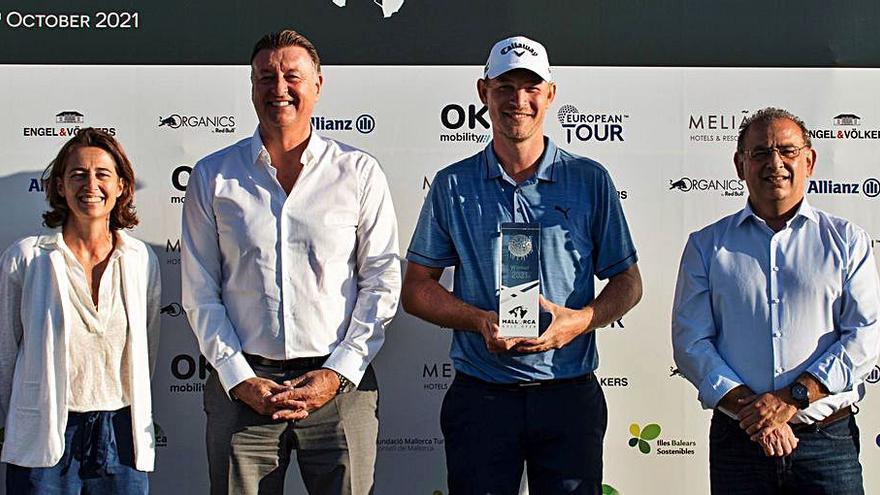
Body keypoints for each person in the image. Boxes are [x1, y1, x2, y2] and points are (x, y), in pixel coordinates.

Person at [401, 35, 642, 494]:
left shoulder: (589, 180)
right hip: (482, 396)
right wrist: (478, 320)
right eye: (505, 86)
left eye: (531, 87)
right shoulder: (453, 184)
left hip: (568, 393)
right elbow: (416, 288)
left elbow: (628, 281)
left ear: (550, 94)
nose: (518, 100)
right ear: (483, 92)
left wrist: (580, 322)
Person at [181, 29, 400, 495]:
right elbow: (200, 291)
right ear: (251, 87)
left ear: (318, 85)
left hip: (340, 389)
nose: (279, 88)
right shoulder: (212, 175)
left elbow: (382, 280)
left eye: (292, 76)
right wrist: (239, 379)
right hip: (242, 392)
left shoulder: (358, 172)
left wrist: (339, 372)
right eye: (266, 77)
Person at [672, 107, 880, 494]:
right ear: (740, 164)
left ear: (809, 160)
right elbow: (690, 343)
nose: (776, 164)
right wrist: (757, 415)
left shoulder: (848, 241)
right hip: (740, 443)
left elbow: (865, 337)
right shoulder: (706, 246)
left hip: (826, 444)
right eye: (761, 153)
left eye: (787, 151)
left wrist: (791, 399)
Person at [0, 127, 161, 493]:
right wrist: (20, 418)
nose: (91, 184)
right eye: (78, 174)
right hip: (44, 431)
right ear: (59, 187)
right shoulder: (26, 258)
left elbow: (146, 350)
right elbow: (5, 354)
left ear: (121, 186)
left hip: (121, 434)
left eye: (102, 174)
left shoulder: (140, 260)